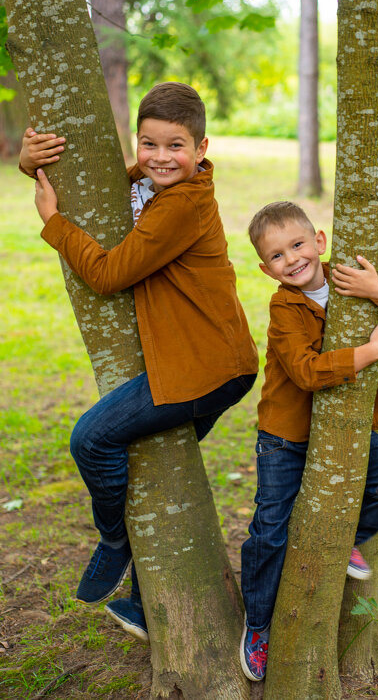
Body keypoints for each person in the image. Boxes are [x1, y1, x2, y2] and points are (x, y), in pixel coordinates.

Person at [19, 82, 258, 643]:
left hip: (209, 367)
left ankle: (114, 542)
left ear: (202, 148)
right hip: (206, 360)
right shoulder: (163, 183)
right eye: (147, 144)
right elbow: (115, 182)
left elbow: (106, 275)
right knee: (157, 476)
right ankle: (148, 607)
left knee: (92, 439)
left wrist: (53, 220)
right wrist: (33, 164)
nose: (156, 157)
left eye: (174, 146)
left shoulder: (182, 203)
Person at [239, 201, 378, 681]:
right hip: (286, 434)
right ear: (265, 269)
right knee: (271, 526)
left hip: (349, 428)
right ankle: (257, 624)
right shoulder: (284, 306)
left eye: (298, 245)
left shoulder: (347, 282)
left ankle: (345, 541)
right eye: (277, 256)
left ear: (319, 241)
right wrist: (367, 353)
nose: (291, 259)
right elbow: (303, 371)